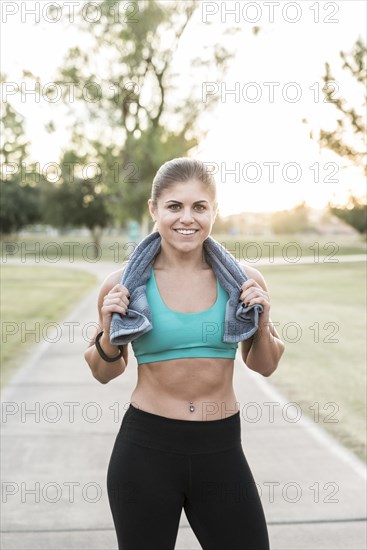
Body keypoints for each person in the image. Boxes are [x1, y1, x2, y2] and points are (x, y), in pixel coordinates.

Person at [84, 157, 285, 550]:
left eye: (199, 206)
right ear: (154, 209)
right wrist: (109, 329)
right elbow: (103, 371)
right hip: (146, 452)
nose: (186, 219)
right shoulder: (123, 284)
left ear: (214, 211)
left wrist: (262, 318)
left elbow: (264, 365)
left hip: (222, 449)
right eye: (175, 206)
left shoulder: (243, 281)